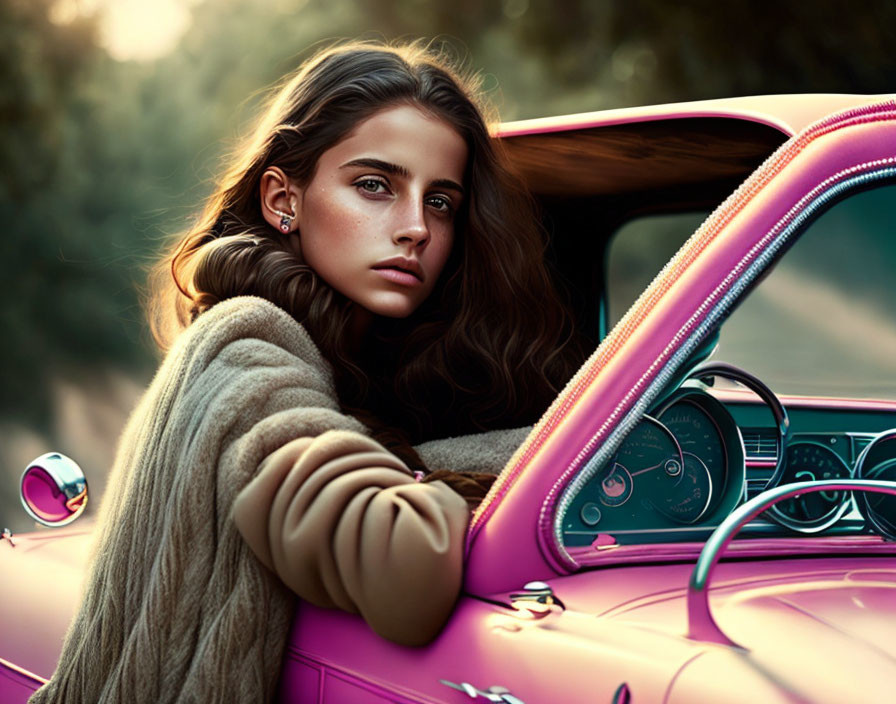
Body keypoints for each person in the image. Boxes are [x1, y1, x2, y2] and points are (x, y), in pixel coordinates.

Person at [29, 40, 581, 703]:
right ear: (281, 199)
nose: (415, 229)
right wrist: (541, 461)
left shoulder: (357, 358)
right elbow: (405, 567)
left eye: (441, 203)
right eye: (374, 185)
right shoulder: (248, 343)